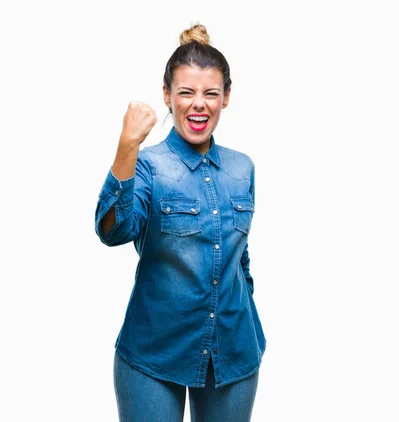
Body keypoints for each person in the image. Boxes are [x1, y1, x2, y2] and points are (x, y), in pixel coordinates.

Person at [94, 23, 266, 422]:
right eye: (186, 93)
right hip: (154, 353)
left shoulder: (243, 168)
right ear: (167, 96)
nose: (198, 104)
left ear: (226, 98)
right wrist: (127, 147)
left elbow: (239, 256)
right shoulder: (149, 165)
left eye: (210, 93)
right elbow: (112, 231)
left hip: (234, 352)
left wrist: (246, 306)